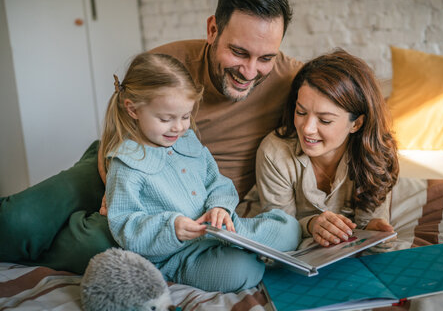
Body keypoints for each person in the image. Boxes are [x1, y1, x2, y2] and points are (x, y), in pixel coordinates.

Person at [0, 0, 302, 274]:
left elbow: (342, 104)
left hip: (190, 205)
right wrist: (114, 186)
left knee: (99, 246)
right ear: (212, 30)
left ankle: (63, 235)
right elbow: (117, 128)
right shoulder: (166, 62)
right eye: (238, 52)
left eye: (265, 57)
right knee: (15, 222)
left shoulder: (291, 80)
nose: (250, 71)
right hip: (121, 165)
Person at [101, 52, 300, 292]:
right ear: (133, 110)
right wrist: (172, 228)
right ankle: (249, 252)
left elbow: (217, 182)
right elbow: (125, 225)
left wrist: (220, 207)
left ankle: (248, 244)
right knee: (244, 271)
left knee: (289, 227)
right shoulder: (127, 164)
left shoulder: (187, 140)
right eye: (166, 119)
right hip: (178, 255)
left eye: (185, 116)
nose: (179, 127)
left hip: (220, 231)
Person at [246, 49, 399, 247]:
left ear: (356, 124)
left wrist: (374, 226)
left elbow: (365, 222)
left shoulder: (378, 155)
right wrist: (311, 225)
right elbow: (280, 229)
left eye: (325, 120)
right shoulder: (274, 153)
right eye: (301, 112)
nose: (307, 129)